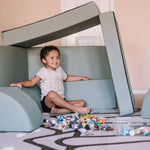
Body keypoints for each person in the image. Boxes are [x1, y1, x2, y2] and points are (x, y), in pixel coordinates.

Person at [10, 46, 92, 114]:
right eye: (52, 58)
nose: (55, 60)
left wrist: (81, 77)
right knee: (52, 93)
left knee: (82, 103)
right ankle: (74, 109)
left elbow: (66, 78)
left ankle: (58, 111)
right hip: (48, 103)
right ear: (44, 60)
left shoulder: (59, 69)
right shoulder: (43, 71)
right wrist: (20, 83)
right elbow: (32, 82)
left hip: (61, 101)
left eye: (57, 57)